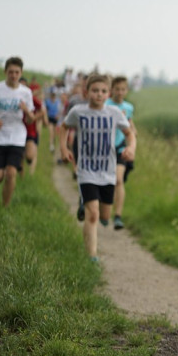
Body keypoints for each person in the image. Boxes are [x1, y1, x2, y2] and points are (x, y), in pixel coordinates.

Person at [59, 73, 135, 262]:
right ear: (87, 92)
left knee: (104, 216)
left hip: (107, 171)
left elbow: (129, 133)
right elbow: (64, 127)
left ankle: (89, 205)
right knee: (92, 214)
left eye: (103, 91)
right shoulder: (78, 111)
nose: (99, 95)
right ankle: (91, 256)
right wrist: (63, 148)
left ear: (108, 93)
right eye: (95, 91)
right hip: (85, 170)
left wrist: (130, 147)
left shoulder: (114, 113)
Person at [0, 57, 35, 206]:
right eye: (11, 72)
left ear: (21, 72)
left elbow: (31, 120)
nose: (14, 75)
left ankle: (5, 206)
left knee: (11, 173)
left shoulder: (26, 92)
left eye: (17, 72)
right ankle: (0, 174)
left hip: (17, 136)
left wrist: (26, 111)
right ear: (5, 72)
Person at [105, 75, 136, 230]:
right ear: (112, 90)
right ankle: (101, 209)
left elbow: (130, 124)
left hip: (120, 146)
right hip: (104, 148)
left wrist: (132, 144)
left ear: (126, 90)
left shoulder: (129, 107)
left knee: (119, 180)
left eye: (123, 89)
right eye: (117, 89)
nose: (120, 92)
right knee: (105, 181)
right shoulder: (105, 104)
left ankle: (118, 216)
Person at [20, 78, 45, 175]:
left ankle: (30, 166)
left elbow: (42, 111)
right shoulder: (12, 97)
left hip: (30, 131)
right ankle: (21, 178)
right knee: (19, 156)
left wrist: (33, 118)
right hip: (16, 131)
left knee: (29, 157)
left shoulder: (31, 98)